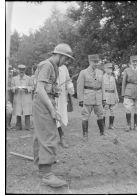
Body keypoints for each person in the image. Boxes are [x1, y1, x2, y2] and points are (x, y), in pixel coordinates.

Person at [33, 43, 74, 188]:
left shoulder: (54, 67)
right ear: (60, 55)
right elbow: (40, 89)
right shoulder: (47, 65)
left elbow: (46, 87)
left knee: (41, 135)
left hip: (44, 101)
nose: (67, 62)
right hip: (42, 103)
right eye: (66, 58)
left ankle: (42, 168)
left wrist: (54, 89)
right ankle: (47, 174)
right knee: (50, 135)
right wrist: (52, 109)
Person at [77, 54, 106, 141]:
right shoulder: (83, 72)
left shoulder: (100, 72)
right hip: (87, 97)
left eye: (97, 62)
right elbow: (79, 87)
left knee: (100, 115)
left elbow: (103, 86)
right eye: (94, 62)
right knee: (85, 116)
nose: (96, 64)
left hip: (98, 97)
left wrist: (104, 98)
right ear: (89, 62)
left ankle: (102, 133)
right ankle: (85, 135)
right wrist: (81, 99)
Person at [56, 65, 75, 148]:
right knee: (50, 116)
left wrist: (70, 86)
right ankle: (52, 138)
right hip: (50, 96)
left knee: (60, 116)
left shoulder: (64, 68)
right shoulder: (48, 65)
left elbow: (68, 79)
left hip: (61, 96)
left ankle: (61, 137)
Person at [11, 65, 33, 131]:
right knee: (18, 112)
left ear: (25, 70)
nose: (21, 71)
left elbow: (32, 87)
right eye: (20, 69)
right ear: (18, 70)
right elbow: (12, 87)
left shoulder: (29, 78)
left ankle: (28, 127)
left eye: (23, 69)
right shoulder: (14, 78)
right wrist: (15, 88)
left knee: (27, 112)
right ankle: (18, 126)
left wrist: (27, 89)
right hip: (18, 96)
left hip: (26, 97)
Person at [103, 62, 119, 129]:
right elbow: (102, 89)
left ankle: (111, 125)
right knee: (104, 111)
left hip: (112, 95)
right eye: (108, 68)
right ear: (105, 69)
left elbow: (115, 88)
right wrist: (103, 98)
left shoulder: (113, 77)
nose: (110, 70)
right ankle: (103, 125)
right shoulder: (103, 77)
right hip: (106, 95)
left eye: (111, 68)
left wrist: (117, 97)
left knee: (112, 110)